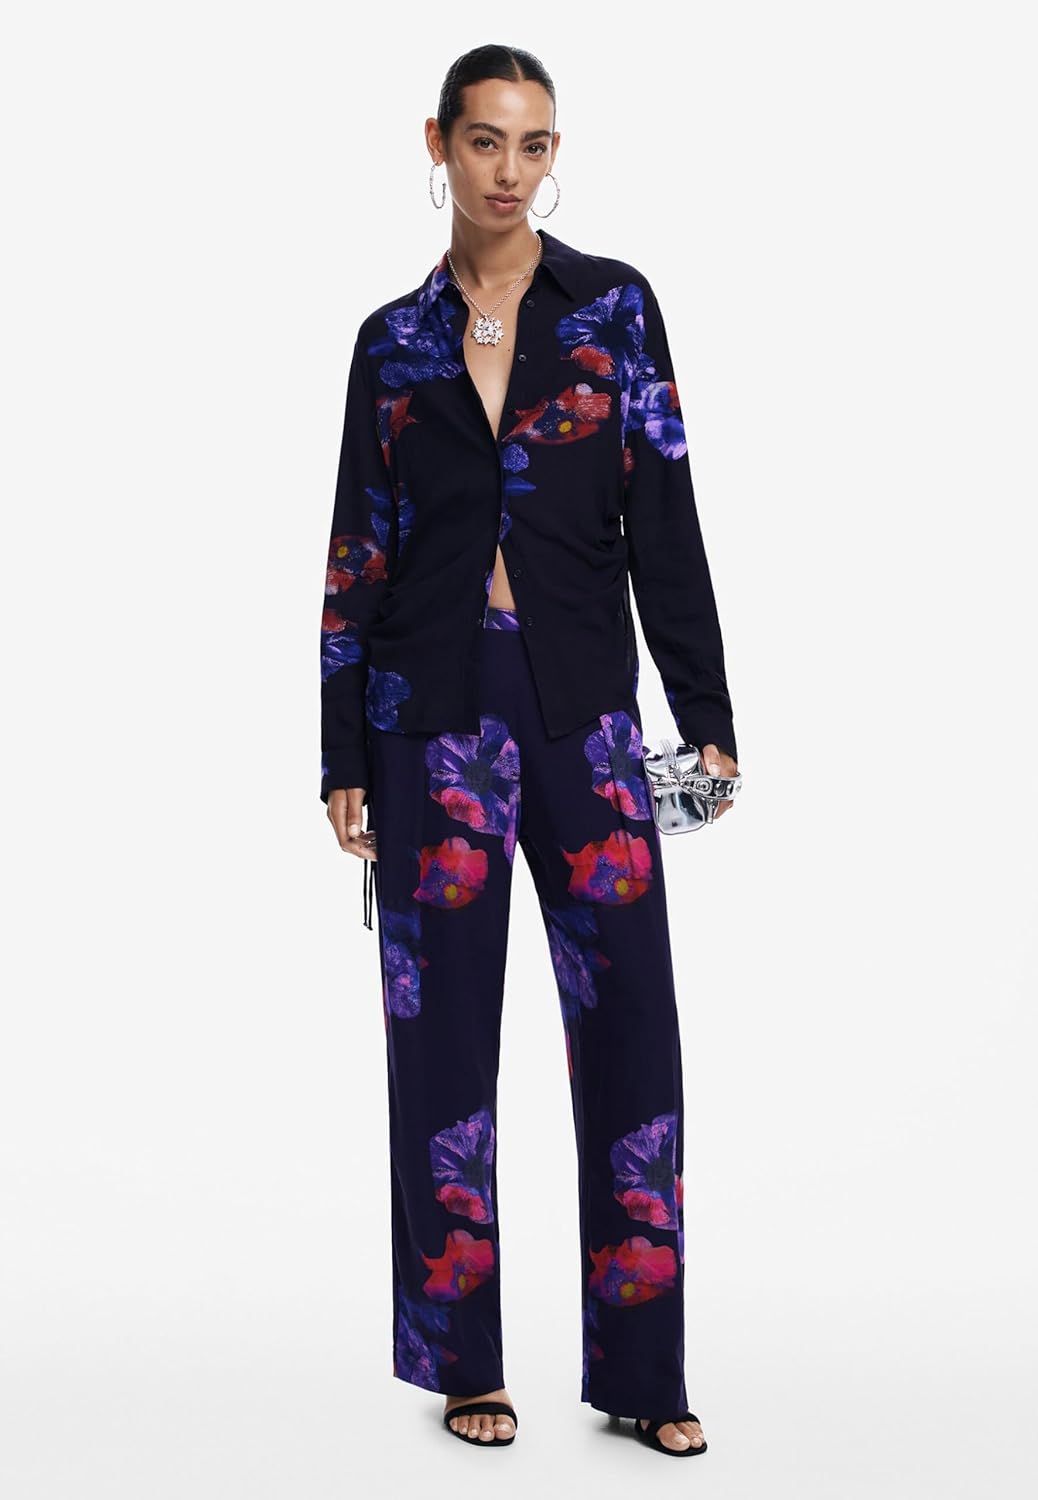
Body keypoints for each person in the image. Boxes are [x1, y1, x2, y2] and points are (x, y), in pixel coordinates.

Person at [319, 43, 739, 1457]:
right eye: (486, 140)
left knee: (631, 1033)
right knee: (438, 1045)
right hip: (425, 719)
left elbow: (665, 517)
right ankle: (464, 1365)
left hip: (584, 714)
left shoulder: (612, 307)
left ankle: (644, 1373)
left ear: (555, 155)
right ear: (437, 144)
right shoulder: (392, 340)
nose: (510, 169)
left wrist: (706, 717)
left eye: (535, 143)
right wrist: (339, 755)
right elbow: (357, 552)